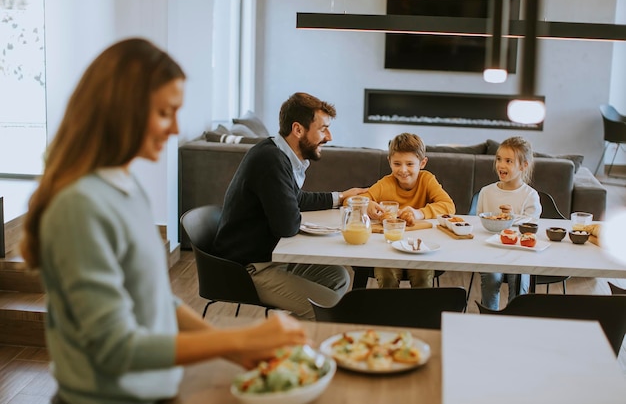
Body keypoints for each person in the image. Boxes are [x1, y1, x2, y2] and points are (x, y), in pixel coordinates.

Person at [20, 38, 307, 404]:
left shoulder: (125, 186)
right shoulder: (79, 206)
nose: (175, 129)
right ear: (123, 109)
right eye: (164, 112)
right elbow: (115, 348)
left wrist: (235, 353)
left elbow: (157, 302)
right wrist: (241, 338)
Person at [213, 92, 366, 320]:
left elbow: (294, 199)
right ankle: (293, 335)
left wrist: (341, 197)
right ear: (298, 130)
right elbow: (287, 226)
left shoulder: (278, 154)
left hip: (272, 257)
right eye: (323, 129)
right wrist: (296, 211)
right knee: (330, 307)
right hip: (248, 268)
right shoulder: (271, 160)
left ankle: (296, 328)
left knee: (338, 276)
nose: (329, 136)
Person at [362, 133, 455, 288]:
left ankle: (418, 312)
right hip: (388, 247)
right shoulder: (386, 183)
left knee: (423, 276)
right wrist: (368, 205)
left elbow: (448, 205)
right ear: (389, 162)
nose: (403, 170)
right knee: (386, 275)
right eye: (397, 164)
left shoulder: (427, 180)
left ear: (422, 162)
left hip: (421, 246)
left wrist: (418, 213)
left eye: (410, 164)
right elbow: (358, 200)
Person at [477, 136, 542, 310]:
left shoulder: (530, 196)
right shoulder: (486, 192)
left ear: (523, 166)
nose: (501, 165)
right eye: (499, 159)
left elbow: (532, 226)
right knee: (491, 277)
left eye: (508, 161)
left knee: (519, 278)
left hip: (520, 254)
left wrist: (512, 217)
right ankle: (489, 318)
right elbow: (479, 223)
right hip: (491, 252)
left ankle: (515, 319)